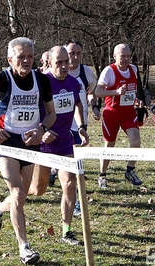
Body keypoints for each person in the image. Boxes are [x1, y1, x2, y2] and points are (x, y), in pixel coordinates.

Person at [0, 37, 56, 265]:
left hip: (30, 143)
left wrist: (41, 130)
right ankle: (24, 248)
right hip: (6, 142)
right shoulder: (0, 80)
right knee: (18, 193)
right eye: (21, 57)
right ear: (10, 59)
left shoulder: (41, 80)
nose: (26, 61)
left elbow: (51, 113)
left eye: (30, 57)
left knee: (22, 194)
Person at [28, 46, 89, 246]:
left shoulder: (73, 82)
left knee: (69, 183)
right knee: (38, 190)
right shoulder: (41, 83)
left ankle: (67, 231)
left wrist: (81, 127)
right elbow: (33, 111)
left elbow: (79, 105)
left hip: (65, 143)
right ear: (50, 63)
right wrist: (41, 131)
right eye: (59, 63)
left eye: (66, 61)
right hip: (43, 146)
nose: (64, 66)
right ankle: (7, 202)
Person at [95, 43, 143, 189]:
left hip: (128, 112)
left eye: (128, 56)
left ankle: (130, 170)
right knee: (109, 145)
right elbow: (98, 91)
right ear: (115, 56)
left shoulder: (133, 69)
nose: (126, 59)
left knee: (136, 141)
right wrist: (115, 92)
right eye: (123, 56)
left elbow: (133, 89)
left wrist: (136, 98)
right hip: (112, 113)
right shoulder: (109, 71)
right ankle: (102, 175)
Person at [64, 39, 100, 216]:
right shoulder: (54, 72)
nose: (75, 57)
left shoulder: (86, 72)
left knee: (76, 165)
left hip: (79, 124)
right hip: (59, 124)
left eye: (78, 53)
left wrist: (93, 106)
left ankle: (76, 201)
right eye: (72, 53)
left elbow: (91, 92)